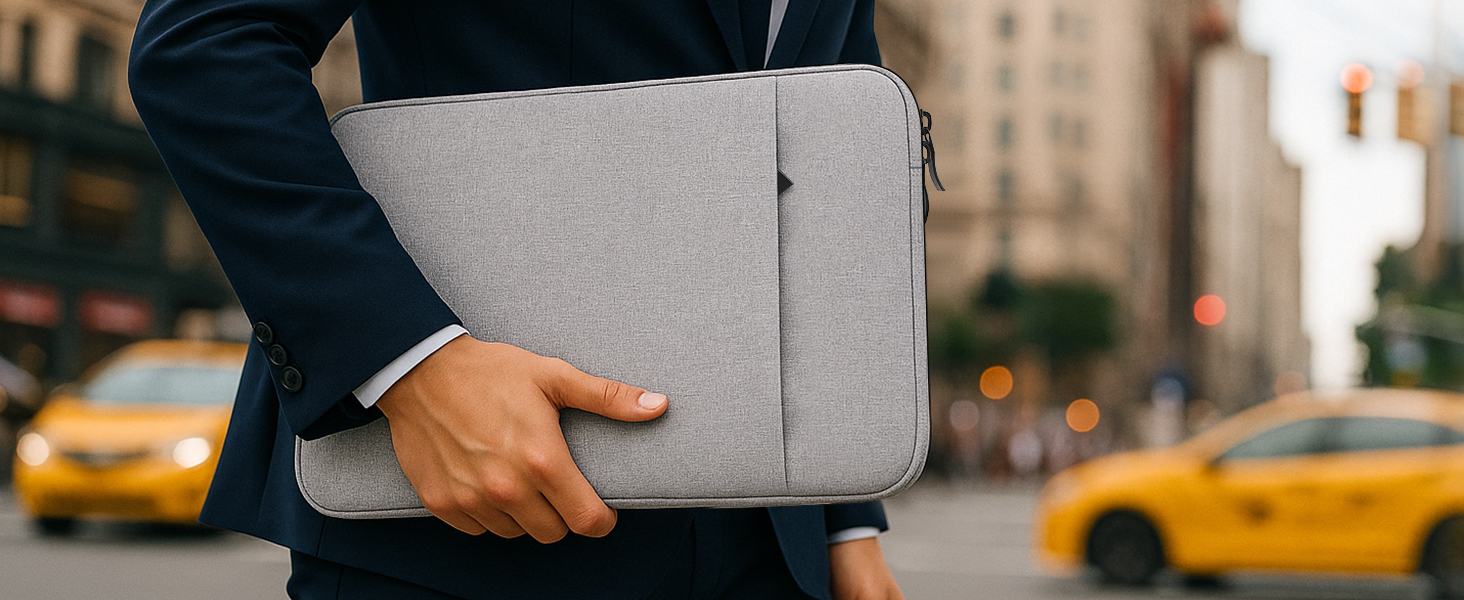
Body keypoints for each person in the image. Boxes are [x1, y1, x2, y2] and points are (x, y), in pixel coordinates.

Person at [128, 0, 906, 598]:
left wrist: (843, 518)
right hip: (466, 525)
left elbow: (828, 149)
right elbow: (207, 42)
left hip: (773, 550)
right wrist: (411, 365)